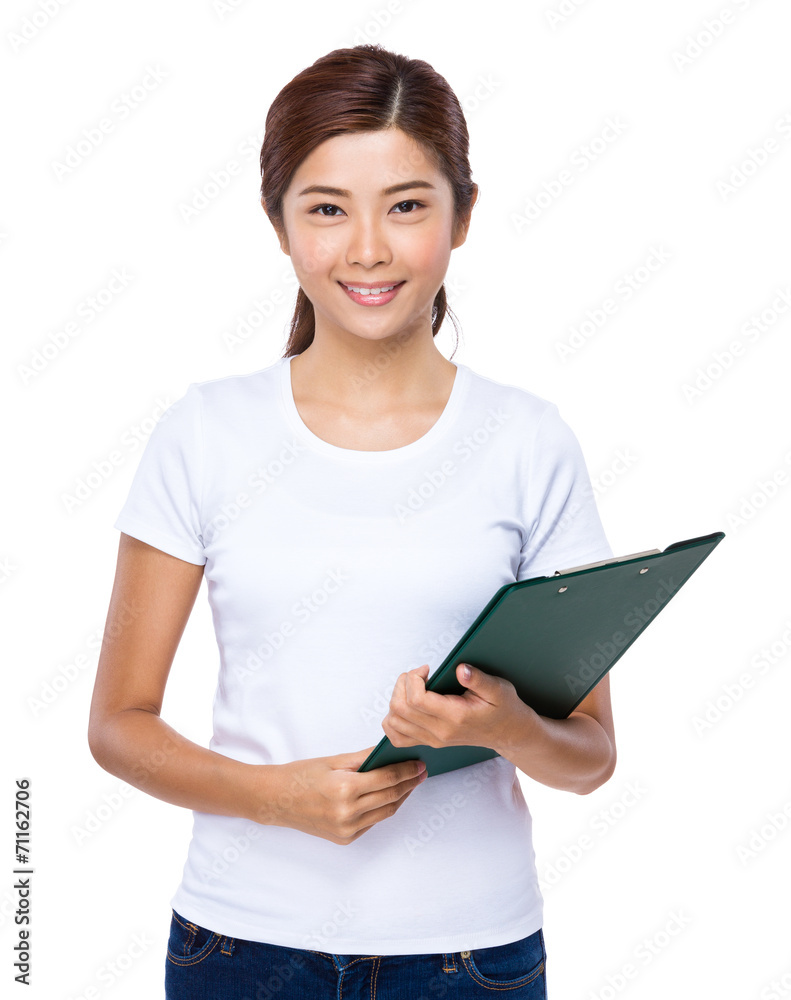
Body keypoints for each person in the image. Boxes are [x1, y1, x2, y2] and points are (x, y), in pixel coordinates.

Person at [88, 42, 617, 1000]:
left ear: (462, 217)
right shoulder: (204, 433)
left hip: (471, 961)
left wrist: (507, 727)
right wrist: (275, 797)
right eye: (327, 209)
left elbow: (590, 758)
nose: (367, 248)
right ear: (278, 224)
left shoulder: (527, 441)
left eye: (406, 206)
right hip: (240, 950)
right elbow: (117, 726)